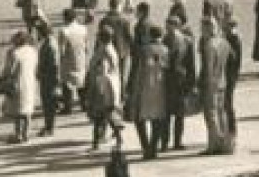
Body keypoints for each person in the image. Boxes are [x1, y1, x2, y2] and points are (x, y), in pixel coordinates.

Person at [126, 26, 170, 160]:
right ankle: (153, 147)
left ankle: (146, 147)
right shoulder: (166, 50)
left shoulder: (143, 50)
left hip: (144, 87)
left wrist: (131, 88)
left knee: (139, 119)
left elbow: (136, 71)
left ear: (149, 36)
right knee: (157, 120)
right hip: (160, 88)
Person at [197, 17, 234, 155]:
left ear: (207, 28)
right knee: (221, 112)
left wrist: (201, 83)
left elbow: (207, 68)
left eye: (202, 28)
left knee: (211, 114)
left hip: (211, 83)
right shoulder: (224, 42)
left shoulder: (209, 45)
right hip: (222, 81)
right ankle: (225, 142)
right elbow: (232, 59)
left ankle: (213, 144)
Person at [163, 15, 196, 151]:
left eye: (170, 26)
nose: (168, 29)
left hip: (179, 81)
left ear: (176, 26)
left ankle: (176, 141)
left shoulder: (187, 41)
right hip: (169, 81)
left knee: (179, 114)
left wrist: (192, 82)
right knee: (166, 115)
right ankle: (165, 142)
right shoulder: (164, 40)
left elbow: (191, 64)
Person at [84, 39, 125, 150]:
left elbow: (103, 71)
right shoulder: (111, 50)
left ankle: (96, 143)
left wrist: (97, 89)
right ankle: (116, 137)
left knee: (100, 117)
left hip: (102, 89)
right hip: (108, 88)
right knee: (106, 116)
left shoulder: (104, 52)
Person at [2, 30, 39, 144]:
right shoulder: (32, 51)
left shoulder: (14, 53)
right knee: (27, 108)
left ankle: (18, 134)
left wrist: (3, 76)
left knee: (17, 110)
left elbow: (9, 70)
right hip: (30, 81)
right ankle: (26, 133)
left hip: (17, 82)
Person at [58, 8, 90, 114]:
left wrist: (61, 61)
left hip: (68, 60)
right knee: (82, 83)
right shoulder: (83, 29)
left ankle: (68, 107)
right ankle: (84, 105)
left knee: (67, 84)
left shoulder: (64, 31)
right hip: (81, 58)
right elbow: (87, 46)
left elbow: (62, 50)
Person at [34, 20, 61, 137]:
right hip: (47, 78)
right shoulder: (49, 42)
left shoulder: (50, 44)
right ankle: (48, 126)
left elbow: (55, 65)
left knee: (48, 104)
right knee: (47, 104)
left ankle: (49, 128)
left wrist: (55, 83)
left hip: (49, 79)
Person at [223, 17, 244, 147]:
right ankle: (230, 130)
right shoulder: (232, 39)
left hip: (230, 76)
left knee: (228, 104)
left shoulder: (234, 40)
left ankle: (232, 130)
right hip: (230, 76)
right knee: (227, 104)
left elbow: (234, 59)